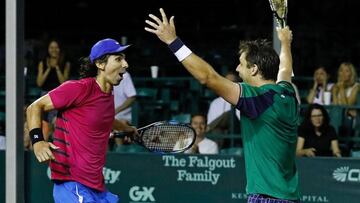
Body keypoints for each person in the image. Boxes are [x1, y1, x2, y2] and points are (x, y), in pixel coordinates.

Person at [145, 8, 300, 202]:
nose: (236, 68)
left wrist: (173, 42)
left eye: (241, 64)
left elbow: (208, 78)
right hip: (290, 197)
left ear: (253, 69)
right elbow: (285, 68)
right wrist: (285, 42)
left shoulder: (256, 98)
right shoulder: (287, 93)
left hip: (266, 197)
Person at [26, 38, 136, 202]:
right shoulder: (79, 88)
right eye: (118, 59)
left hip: (96, 186)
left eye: (124, 59)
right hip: (72, 184)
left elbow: (105, 118)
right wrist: (38, 141)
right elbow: (34, 107)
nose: (125, 64)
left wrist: (126, 128)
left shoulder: (107, 95)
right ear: (100, 64)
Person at [112, 72, 137, 150]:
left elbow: (132, 97)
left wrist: (116, 110)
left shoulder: (124, 76)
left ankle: (119, 152)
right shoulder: (100, 78)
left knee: (119, 124)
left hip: (123, 115)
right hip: (106, 116)